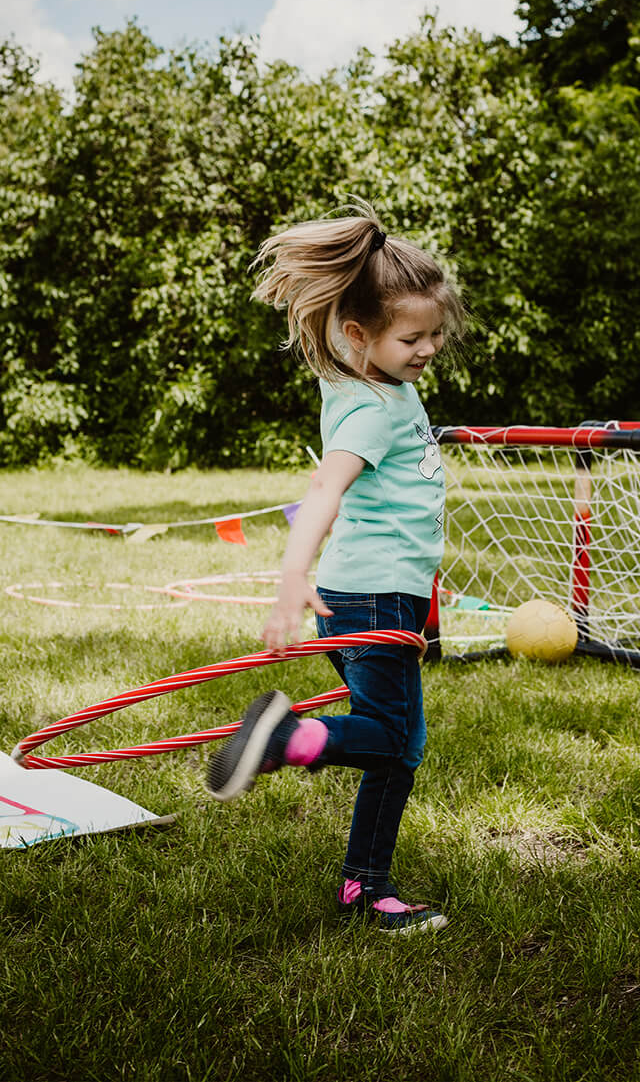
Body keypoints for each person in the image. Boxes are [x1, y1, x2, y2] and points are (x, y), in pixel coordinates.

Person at [204, 198, 463, 934]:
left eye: (434, 334)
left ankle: (364, 887)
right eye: (412, 337)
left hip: (376, 595)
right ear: (361, 335)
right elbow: (324, 489)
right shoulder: (370, 410)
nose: (427, 349)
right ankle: (289, 738)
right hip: (375, 597)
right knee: (390, 738)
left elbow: (339, 315)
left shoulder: (357, 375)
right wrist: (292, 577)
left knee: (396, 745)